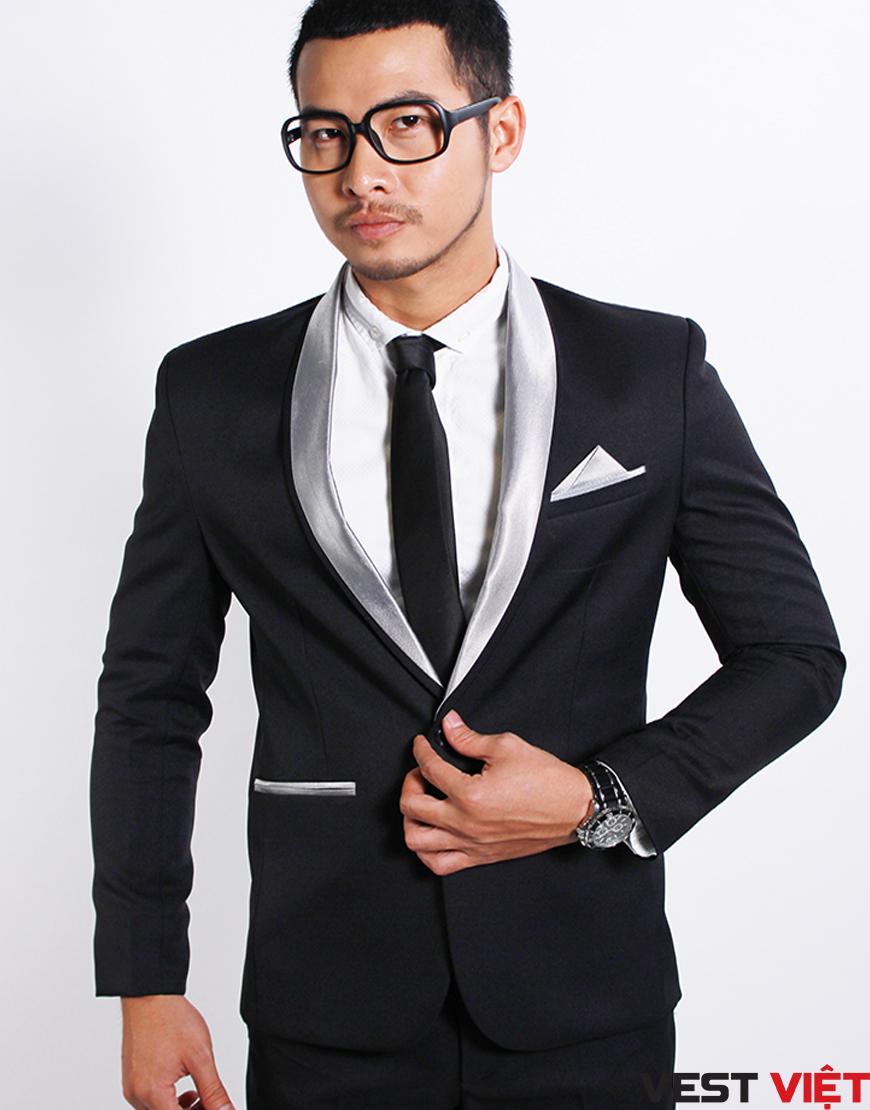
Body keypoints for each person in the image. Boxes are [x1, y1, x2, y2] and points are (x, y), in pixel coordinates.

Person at [89, 2, 846, 1107]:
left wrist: (597, 797)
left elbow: (794, 658)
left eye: (408, 124)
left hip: (585, 999)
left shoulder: (648, 373)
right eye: (326, 133)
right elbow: (150, 699)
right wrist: (146, 980)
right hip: (326, 1005)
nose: (361, 173)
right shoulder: (213, 394)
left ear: (502, 131)